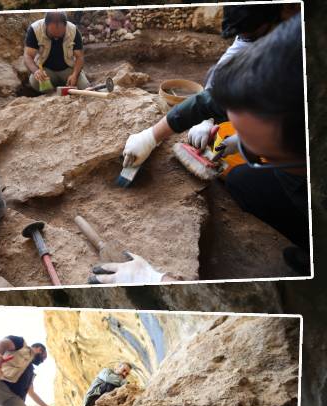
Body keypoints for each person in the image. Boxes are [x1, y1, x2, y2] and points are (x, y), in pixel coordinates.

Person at [113, 16, 308, 281]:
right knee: (241, 180)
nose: (245, 149)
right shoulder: (293, 59)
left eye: (259, 153)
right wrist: (151, 135)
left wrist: (154, 280)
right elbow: (211, 100)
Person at [23, 11, 88, 93]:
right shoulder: (35, 29)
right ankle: (52, 93)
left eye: (60, 34)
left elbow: (79, 57)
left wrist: (74, 75)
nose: (56, 37)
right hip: (46, 72)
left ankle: (63, 88)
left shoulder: (73, 30)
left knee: (84, 86)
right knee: (35, 81)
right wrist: (36, 71)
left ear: (65, 25)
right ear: (45, 25)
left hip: (68, 70)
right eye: (53, 34)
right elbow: (28, 55)